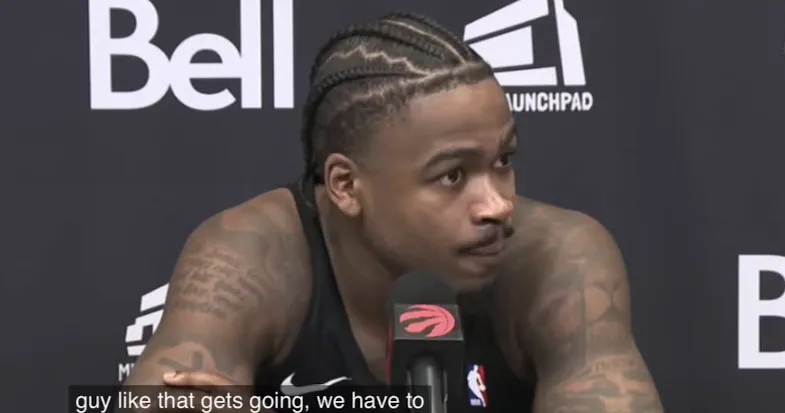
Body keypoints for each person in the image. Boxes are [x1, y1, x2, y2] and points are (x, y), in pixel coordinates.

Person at [122, 12, 664, 413]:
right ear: (346, 186)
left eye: (503, 161)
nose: (498, 205)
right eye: (452, 176)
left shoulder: (558, 258)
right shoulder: (252, 256)